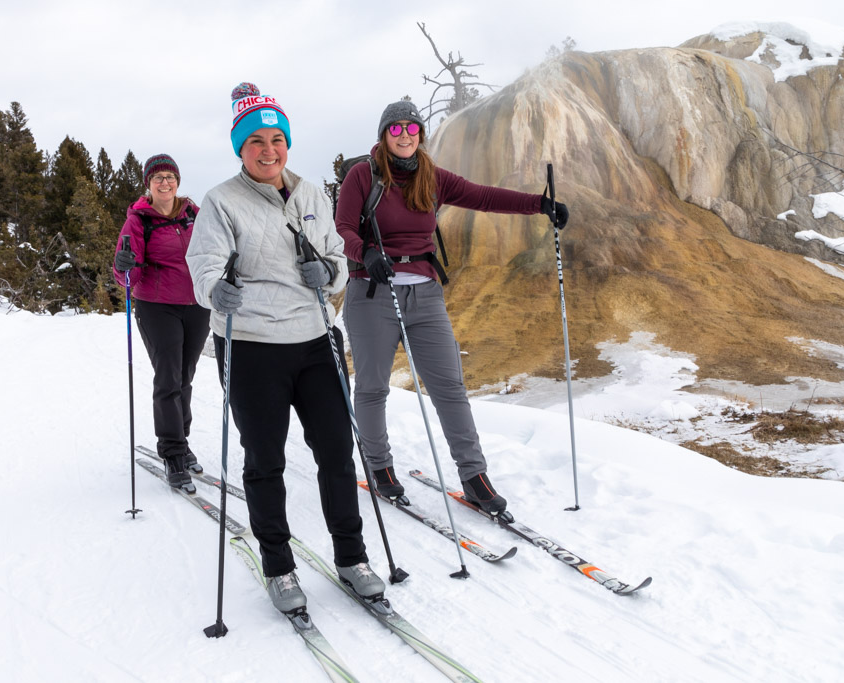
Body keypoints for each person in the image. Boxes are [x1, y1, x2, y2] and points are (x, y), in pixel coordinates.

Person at [185, 83, 384, 615]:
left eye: (277, 139)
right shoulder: (221, 201)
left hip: (316, 339)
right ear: (240, 149)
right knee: (265, 459)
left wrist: (331, 269)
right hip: (251, 346)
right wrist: (214, 289)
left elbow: (338, 257)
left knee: (337, 455)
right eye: (256, 142)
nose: (268, 149)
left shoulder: (311, 194)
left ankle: (352, 557)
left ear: (287, 143)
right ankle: (279, 566)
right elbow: (203, 265)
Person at [335, 100, 570, 518]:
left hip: (425, 295)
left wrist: (540, 204)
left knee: (449, 388)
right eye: (396, 129)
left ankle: (474, 476)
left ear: (420, 134)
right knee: (373, 387)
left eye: (412, 127)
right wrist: (366, 252)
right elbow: (345, 226)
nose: (405, 134)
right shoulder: (363, 175)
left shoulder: (432, 175)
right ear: (384, 135)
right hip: (372, 293)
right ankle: (379, 466)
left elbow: (483, 196)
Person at [113, 154, 210, 491]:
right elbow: (128, 273)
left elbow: (212, 251)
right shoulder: (139, 220)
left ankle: (180, 441)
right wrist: (124, 265)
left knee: (184, 376)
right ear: (148, 184)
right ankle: (172, 452)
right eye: (158, 178)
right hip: (157, 307)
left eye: (170, 176)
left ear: (178, 182)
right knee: (168, 376)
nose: (165, 183)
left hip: (196, 304)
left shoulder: (194, 215)